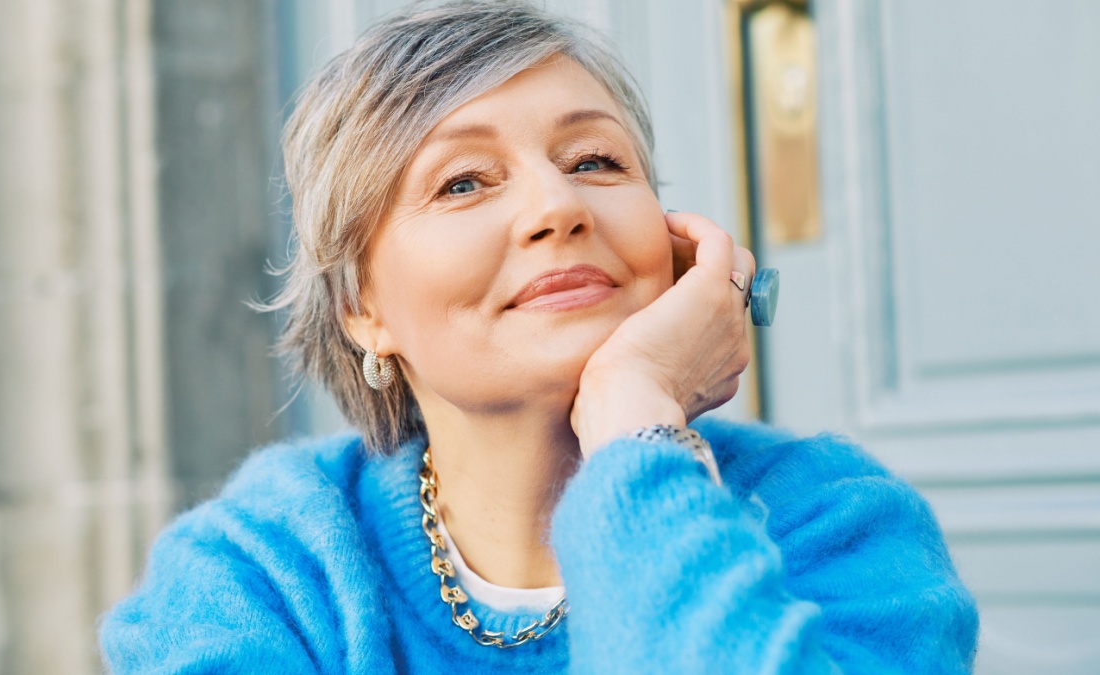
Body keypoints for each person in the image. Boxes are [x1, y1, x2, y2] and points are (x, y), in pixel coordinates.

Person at [99, 1, 978, 672]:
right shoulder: (269, 565)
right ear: (361, 307)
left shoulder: (837, 521)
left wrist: (638, 422)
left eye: (594, 161)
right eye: (465, 183)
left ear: (674, 248)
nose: (557, 207)